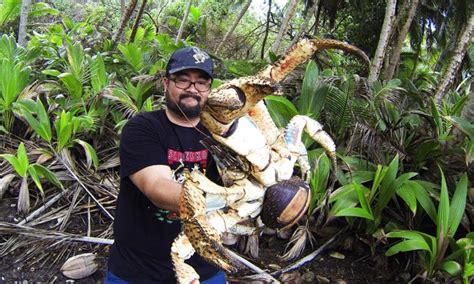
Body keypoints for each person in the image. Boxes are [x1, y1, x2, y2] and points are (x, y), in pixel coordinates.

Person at [105, 46, 226, 283]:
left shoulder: (222, 135)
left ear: (209, 89)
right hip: (137, 270)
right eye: (183, 80)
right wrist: (232, 198)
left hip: (205, 267)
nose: (192, 89)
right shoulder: (143, 127)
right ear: (165, 83)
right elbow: (157, 188)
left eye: (201, 82)